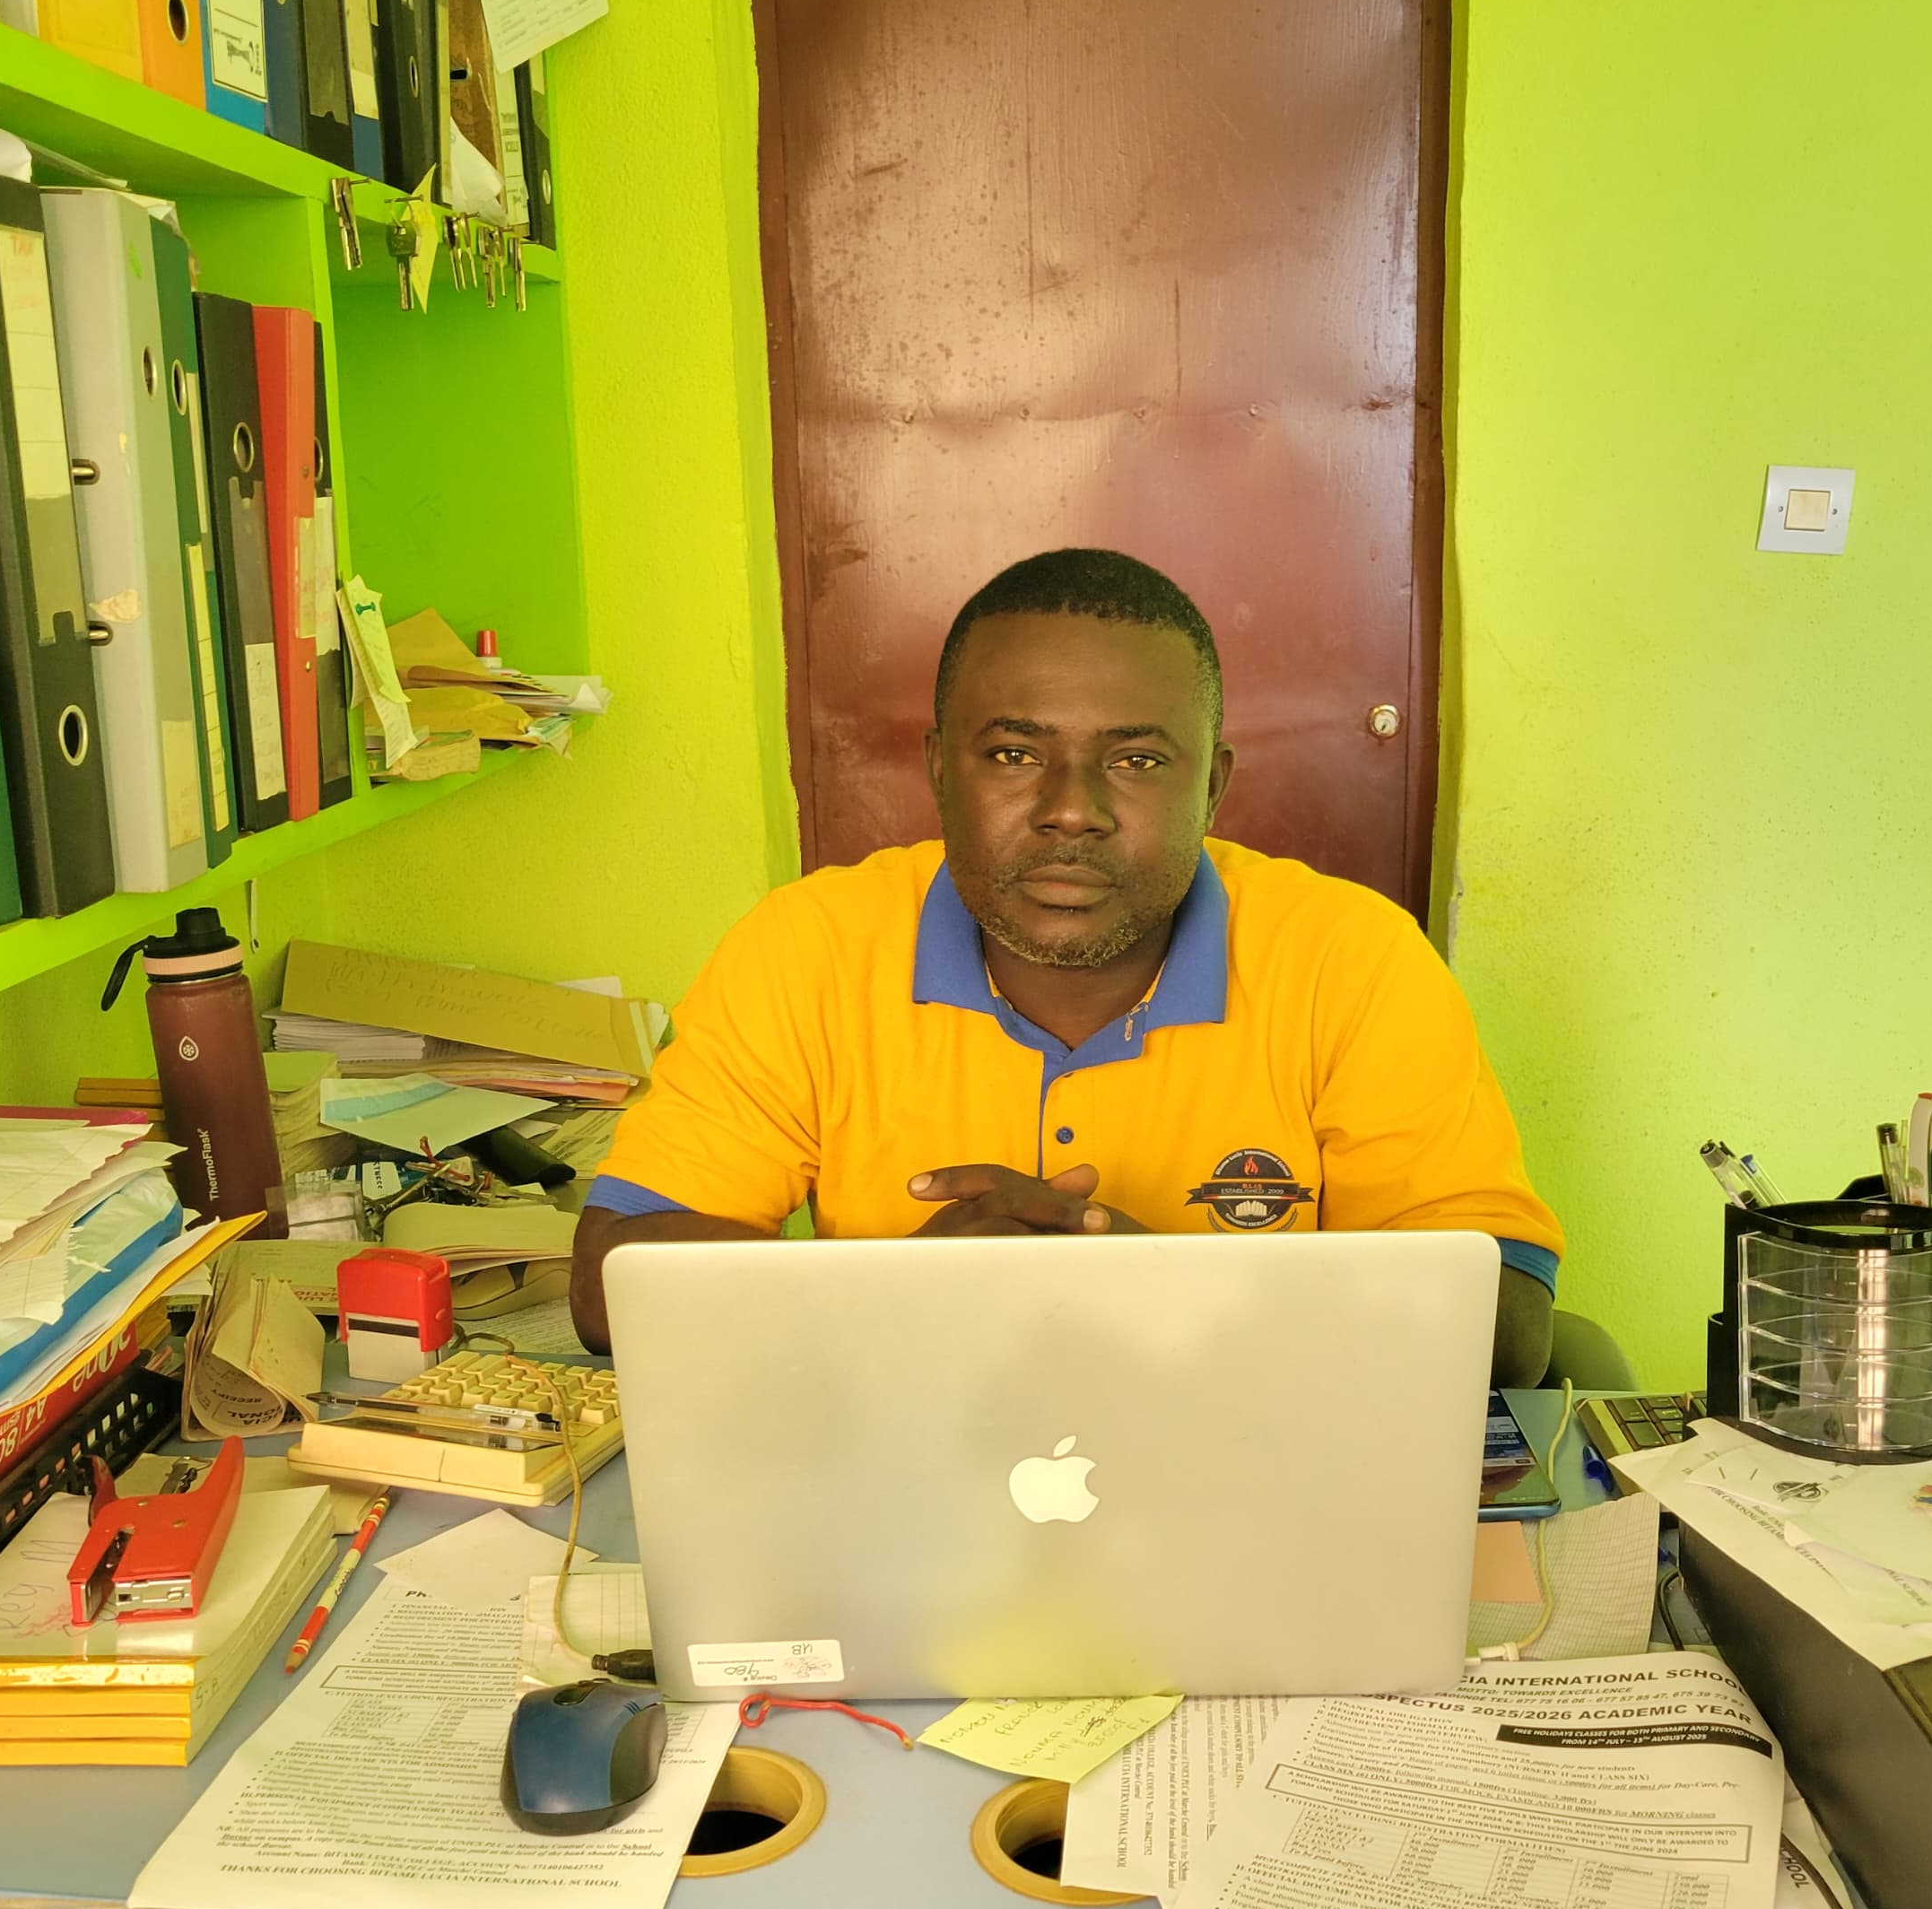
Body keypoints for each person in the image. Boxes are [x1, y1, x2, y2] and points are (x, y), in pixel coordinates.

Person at [572, 548, 1562, 1378]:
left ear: (1210, 787)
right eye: (1012, 754)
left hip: (1240, 1459)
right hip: (900, 1464)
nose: (1070, 808)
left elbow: (1507, 1319)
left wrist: (1168, 1296)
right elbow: (612, 1279)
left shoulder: (1353, 959)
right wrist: (890, 1294)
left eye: (1135, 760)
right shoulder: (807, 948)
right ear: (935, 770)